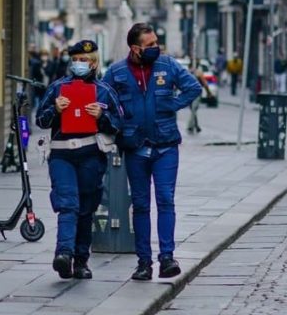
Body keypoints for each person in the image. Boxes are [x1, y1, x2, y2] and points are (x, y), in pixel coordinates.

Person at [103, 23, 202, 281]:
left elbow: (194, 87)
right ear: (135, 49)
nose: (155, 48)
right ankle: (144, 262)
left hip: (166, 144)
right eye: (149, 45)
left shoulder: (167, 66)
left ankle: (167, 257)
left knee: (166, 199)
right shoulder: (117, 72)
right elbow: (103, 101)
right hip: (135, 147)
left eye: (156, 42)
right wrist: (117, 126)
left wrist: (173, 104)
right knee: (140, 204)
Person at [36, 40, 122, 280]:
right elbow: (40, 121)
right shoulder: (57, 88)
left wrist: (102, 116)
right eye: (75, 59)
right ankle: (63, 254)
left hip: (91, 155)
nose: (78, 64)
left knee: (86, 209)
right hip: (62, 153)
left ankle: (81, 260)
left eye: (83, 60)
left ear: (93, 62)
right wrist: (55, 109)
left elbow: (119, 124)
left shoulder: (104, 90)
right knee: (68, 204)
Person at [185, 65, 213, 135]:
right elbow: (205, 84)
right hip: (195, 94)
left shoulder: (187, 72)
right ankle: (190, 126)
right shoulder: (198, 72)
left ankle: (196, 126)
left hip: (189, 94)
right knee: (193, 110)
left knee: (193, 110)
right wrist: (209, 93)